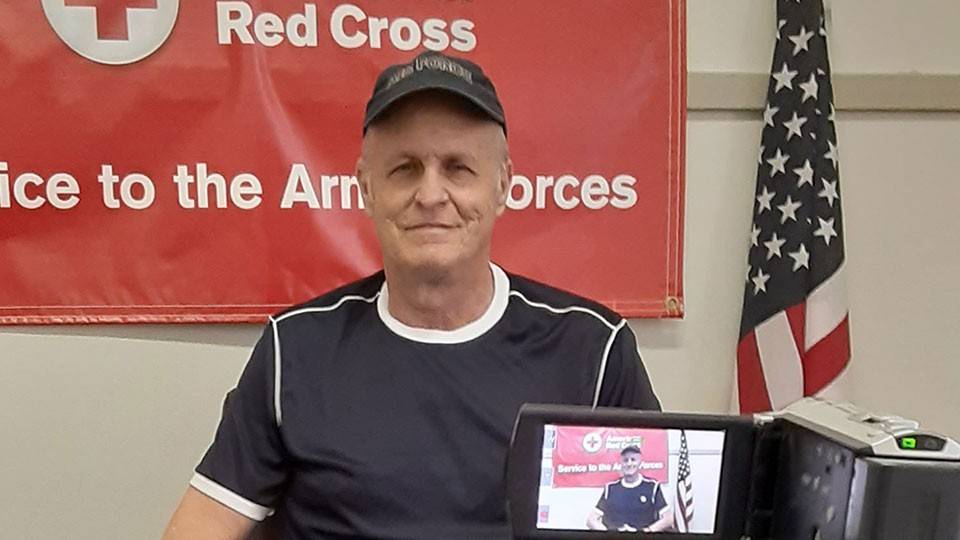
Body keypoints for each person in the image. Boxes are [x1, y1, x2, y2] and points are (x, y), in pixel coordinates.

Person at [162, 51, 660, 540]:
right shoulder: (293, 350)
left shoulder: (593, 351)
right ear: (367, 188)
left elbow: (662, 524)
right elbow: (201, 524)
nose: (430, 195)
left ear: (503, 185)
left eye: (458, 168)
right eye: (404, 168)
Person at [586, 445, 673, 533]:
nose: (629, 464)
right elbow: (591, 520)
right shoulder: (611, 488)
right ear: (621, 463)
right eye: (625, 460)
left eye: (633, 460)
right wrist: (608, 533)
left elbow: (668, 519)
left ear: (640, 462)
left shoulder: (652, 487)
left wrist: (646, 531)